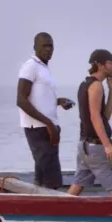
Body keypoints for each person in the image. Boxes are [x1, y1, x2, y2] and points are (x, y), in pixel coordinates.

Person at [16, 32, 74, 190]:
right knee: (52, 178)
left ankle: (37, 208)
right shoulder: (30, 66)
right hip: (38, 128)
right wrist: (48, 124)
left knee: (42, 175)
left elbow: (39, 99)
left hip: (46, 127)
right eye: (44, 46)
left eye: (51, 46)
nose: (48, 49)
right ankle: (53, 211)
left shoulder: (43, 68)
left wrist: (58, 102)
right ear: (35, 47)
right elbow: (21, 100)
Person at [66, 49, 112, 196]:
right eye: (111, 63)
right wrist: (107, 145)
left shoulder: (85, 84)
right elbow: (95, 117)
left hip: (84, 146)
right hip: (97, 148)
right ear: (100, 65)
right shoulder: (96, 86)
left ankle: (58, 212)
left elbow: (104, 116)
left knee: (77, 185)